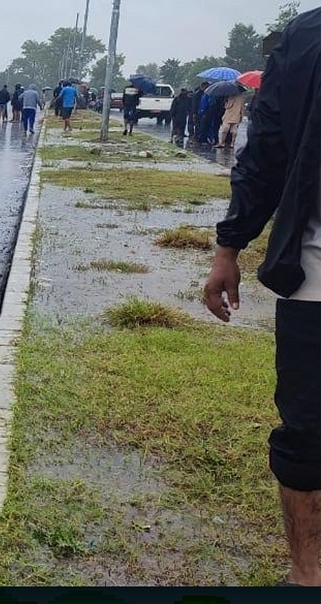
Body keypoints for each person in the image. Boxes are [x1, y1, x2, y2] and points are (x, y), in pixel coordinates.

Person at [202, 6, 321, 587]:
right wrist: (230, 244)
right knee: (307, 430)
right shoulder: (306, 38)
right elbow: (269, 150)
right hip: (316, 270)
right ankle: (307, 575)